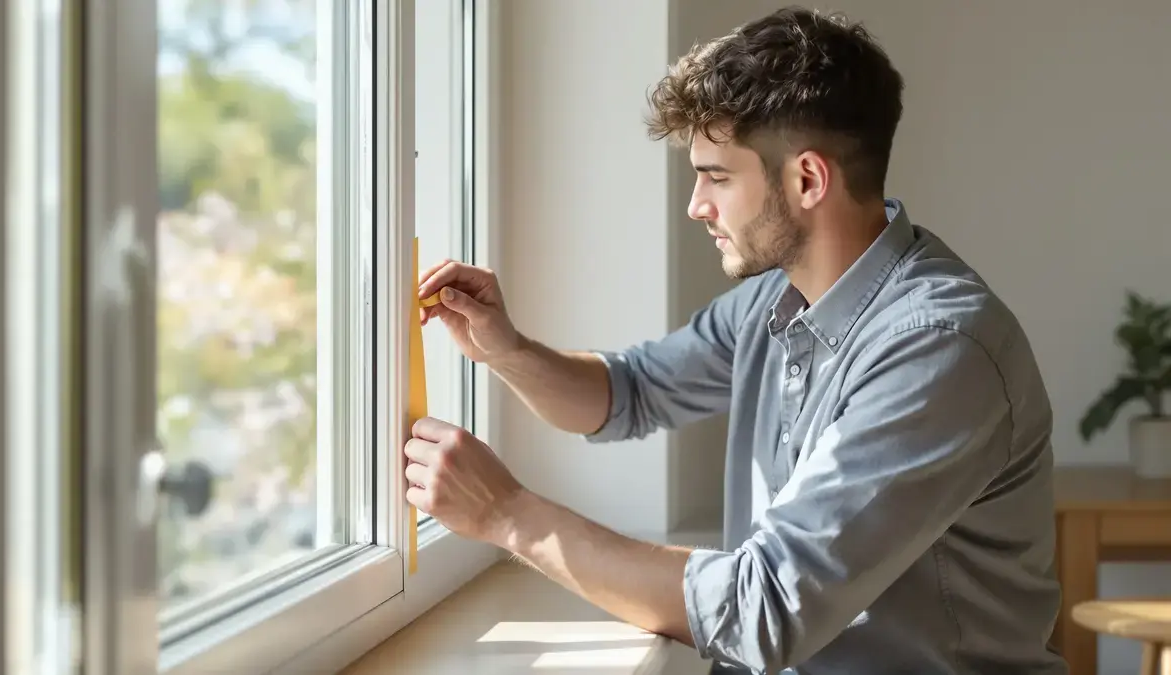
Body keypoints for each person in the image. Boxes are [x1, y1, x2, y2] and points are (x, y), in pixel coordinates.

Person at [404, 6, 1066, 674]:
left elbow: (764, 611)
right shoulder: (771, 302)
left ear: (807, 179)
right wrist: (504, 348)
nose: (696, 204)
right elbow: (627, 393)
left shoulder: (938, 349)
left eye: (717, 176)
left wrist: (508, 514)